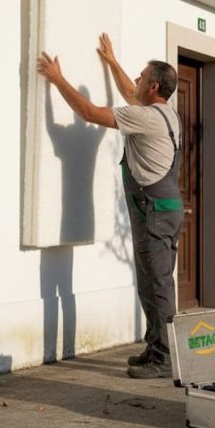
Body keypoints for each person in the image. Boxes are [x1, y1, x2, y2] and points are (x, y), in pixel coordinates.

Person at [36, 33, 183, 379]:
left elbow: (88, 112)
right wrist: (112, 61)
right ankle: (155, 348)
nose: (136, 80)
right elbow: (130, 92)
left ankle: (163, 358)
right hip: (163, 207)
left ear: (154, 87)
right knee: (151, 282)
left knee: (158, 284)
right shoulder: (165, 114)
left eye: (141, 77)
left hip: (154, 209)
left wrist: (57, 79)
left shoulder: (145, 118)